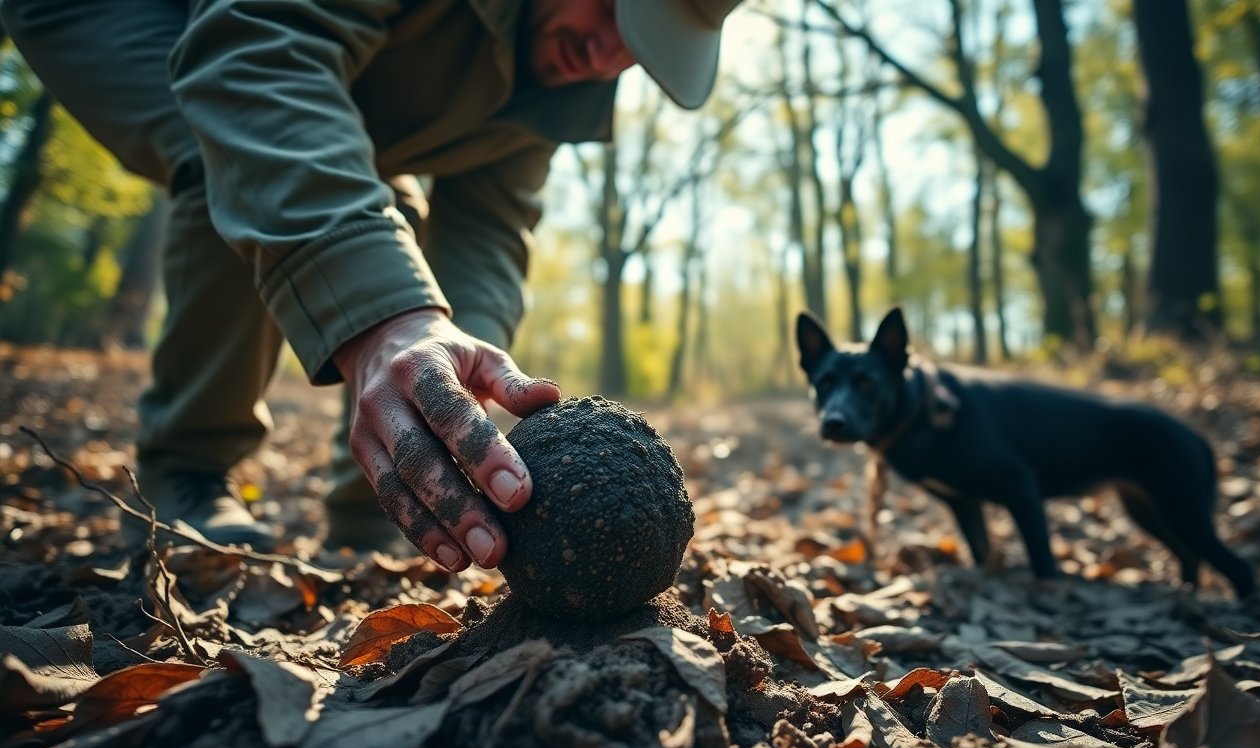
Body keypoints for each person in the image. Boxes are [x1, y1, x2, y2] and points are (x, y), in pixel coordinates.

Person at [2, 0, 744, 571]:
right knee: (231, 157)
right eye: (617, 7)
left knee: (391, 238)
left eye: (642, 46)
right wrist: (387, 318)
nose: (609, 51)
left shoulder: (551, 87)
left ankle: (374, 511)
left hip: (316, 74)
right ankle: (185, 471)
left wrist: (452, 417)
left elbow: (486, 234)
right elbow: (259, 60)